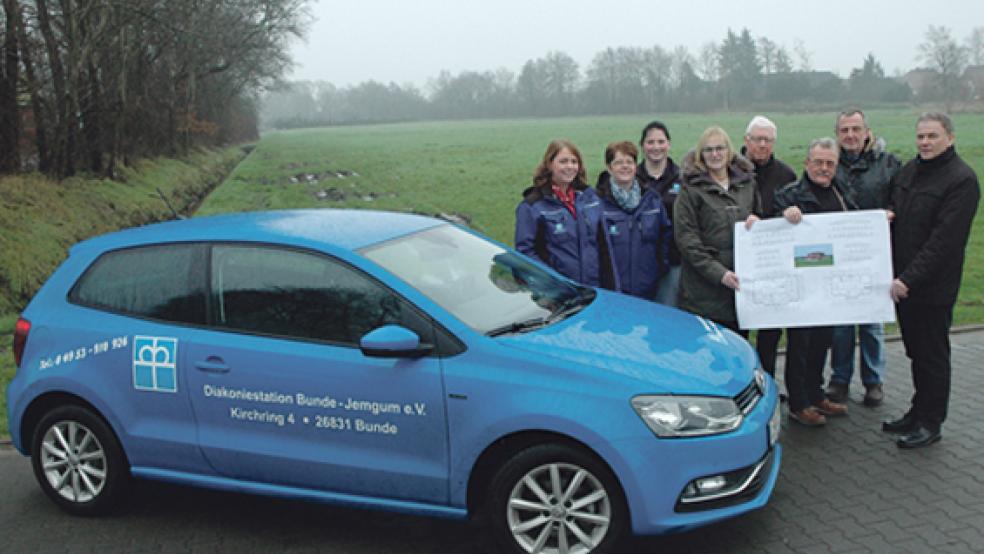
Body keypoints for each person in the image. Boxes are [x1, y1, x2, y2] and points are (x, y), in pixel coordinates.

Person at [884, 113, 980, 448]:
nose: (925, 142)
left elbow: (945, 241)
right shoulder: (910, 171)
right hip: (903, 285)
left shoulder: (961, 180)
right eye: (921, 136)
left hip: (931, 288)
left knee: (932, 355)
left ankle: (931, 422)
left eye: (933, 136)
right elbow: (897, 211)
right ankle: (916, 410)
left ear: (950, 138)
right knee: (915, 351)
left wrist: (909, 278)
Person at [773, 138, 856, 426]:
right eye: (818, 162)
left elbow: (855, 225)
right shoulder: (789, 195)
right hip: (800, 285)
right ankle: (799, 403)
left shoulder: (842, 192)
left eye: (829, 163)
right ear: (807, 164)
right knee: (800, 343)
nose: (823, 168)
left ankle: (816, 393)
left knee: (823, 340)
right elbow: (772, 233)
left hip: (830, 285)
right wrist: (784, 216)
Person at [828, 109, 901, 406]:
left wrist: (892, 211)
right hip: (839, 257)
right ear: (838, 134)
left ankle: (874, 380)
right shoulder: (831, 165)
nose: (850, 135)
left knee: (872, 320)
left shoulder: (889, 164)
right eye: (844, 130)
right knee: (842, 323)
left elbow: (901, 197)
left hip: (874, 255)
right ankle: (840, 380)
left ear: (867, 131)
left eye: (856, 129)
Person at [674, 126, 759, 335]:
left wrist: (758, 223)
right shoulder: (690, 190)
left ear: (729, 151)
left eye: (720, 148)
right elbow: (687, 241)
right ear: (700, 155)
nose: (715, 154)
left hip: (740, 289)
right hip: (704, 294)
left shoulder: (747, 184)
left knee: (738, 351)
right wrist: (719, 274)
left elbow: (759, 215)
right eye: (708, 150)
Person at [742, 115, 797, 378]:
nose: (762, 145)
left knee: (771, 332)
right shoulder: (731, 171)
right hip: (739, 262)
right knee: (738, 330)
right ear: (746, 141)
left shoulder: (786, 175)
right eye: (757, 139)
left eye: (768, 140)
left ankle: (769, 383)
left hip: (774, 264)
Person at [515, 139, 612, 287]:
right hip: (557, 295)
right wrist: (553, 283)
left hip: (594, 290)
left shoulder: (590, 199)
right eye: (563, 161)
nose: (570, 167)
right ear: (549, 164)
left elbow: (604, 248)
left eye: (574, 162)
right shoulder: (532, 206)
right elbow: (525, 252)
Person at [595, 141, 672, 299]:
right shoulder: (597, 203)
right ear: (609, 168)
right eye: (618, 162)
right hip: (611, 291)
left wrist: (658, 267)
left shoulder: (652, 200)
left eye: (629, 162)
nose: (625, 166)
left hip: (648, 288)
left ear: (636, 166)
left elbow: (665, 235)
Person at [636, 121, 684, 306]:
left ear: (668, 144)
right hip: (639, 262)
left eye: (661, 141)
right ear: (643, 146)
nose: (656, 147)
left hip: (673, 262)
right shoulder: (631, 179)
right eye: (650, 142)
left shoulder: (682, 178)